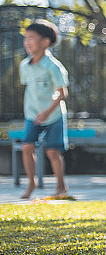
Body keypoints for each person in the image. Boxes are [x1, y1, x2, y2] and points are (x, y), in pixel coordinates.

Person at [19, 19, 70, 199]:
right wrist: (35, 111)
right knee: (27, 147)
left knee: (52, 151)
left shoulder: (53, 66)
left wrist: (47, 111)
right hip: (32, 114)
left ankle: (60, 186)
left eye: (31, 38)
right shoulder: (24, 65)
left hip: (53, 114)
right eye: (26, 38)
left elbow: (62, 92)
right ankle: (31, 183)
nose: (27, 42)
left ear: (45, 42)